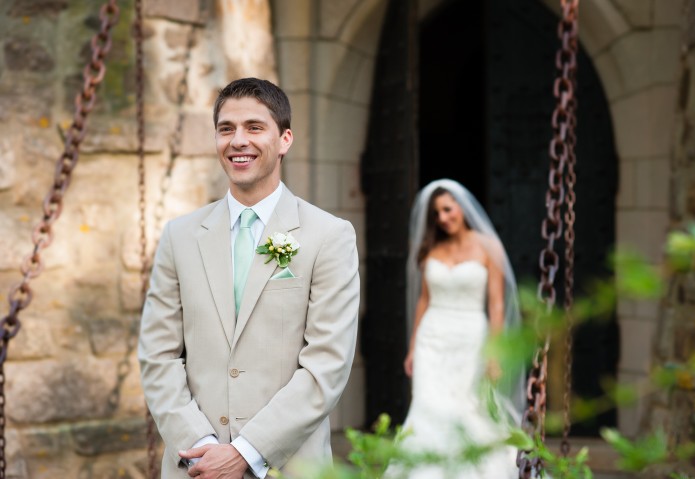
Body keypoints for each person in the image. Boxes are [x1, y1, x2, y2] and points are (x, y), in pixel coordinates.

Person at [137, 77, 360, 479]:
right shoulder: (180, 236)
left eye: (254, 127)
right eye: (226, 129)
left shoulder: (329, 235)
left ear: (285, 139)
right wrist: (203, 448)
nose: (238, 140)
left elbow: (326, 365)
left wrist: (244, 452)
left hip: (289, 466)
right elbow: (158, 356)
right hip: (195, 467)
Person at [390, 178, 525, 478]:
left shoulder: (489, 246)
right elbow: (424, 300)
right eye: (436, 213)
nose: (443, 218)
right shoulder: (431, 248)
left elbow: (497, 305)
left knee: (468, 406)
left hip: (471, 337)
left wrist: (495, 353)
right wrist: (413, 347)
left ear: (462, 208)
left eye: (448, 209)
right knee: (427, 405)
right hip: (432, 338)